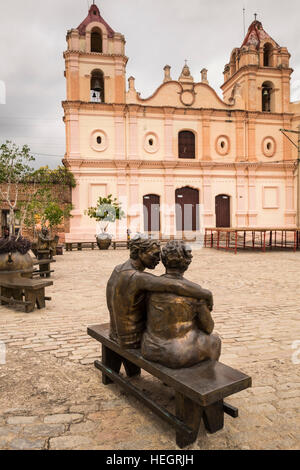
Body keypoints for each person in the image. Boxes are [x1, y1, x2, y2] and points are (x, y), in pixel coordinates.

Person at [106, 234, 213, 349]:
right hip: (132, 339)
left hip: (115, 333)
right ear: (139, 252)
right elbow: (174, 285)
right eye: (155, 255)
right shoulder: (137, 277)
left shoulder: (118, 269)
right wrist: (206, 294)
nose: (159, 259)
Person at [141, 240, 221, 368]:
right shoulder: (195, 294)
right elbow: (208, 327)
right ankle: (206, 379)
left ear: (164, 260)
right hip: (177, 354)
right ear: (187, 263)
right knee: (215, 340)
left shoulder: (152, 286)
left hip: (149, 348)